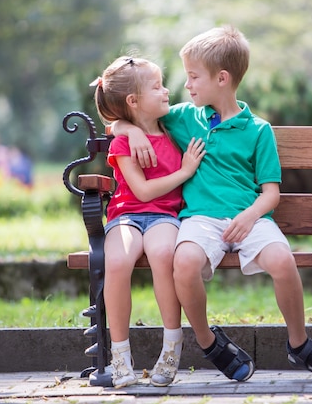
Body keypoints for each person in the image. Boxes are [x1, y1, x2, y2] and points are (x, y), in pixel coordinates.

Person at [113, 26, 312, 382]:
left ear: (222, 79)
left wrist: (250, 216)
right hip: (199, 220)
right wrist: (127, 130)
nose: (186, 85)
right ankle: (209, 342)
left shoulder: (258, 130)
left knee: (283, 261)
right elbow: (126, 116)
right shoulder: (183, 116)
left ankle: (300, 344)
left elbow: (271, 193)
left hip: (249, 219)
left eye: (193, 77)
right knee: (185, 262)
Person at [92, 56, 206, 388]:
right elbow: (140, 191)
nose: (167, 91)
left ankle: (171, 346)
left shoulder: (172, 125)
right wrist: (184, 171)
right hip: (127, 215)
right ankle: (120, 355)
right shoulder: (125, 139)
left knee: (162, 256)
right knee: (116, 261)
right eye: (157, 87)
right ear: (133, 101)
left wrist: (127, 125)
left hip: (164, 216)